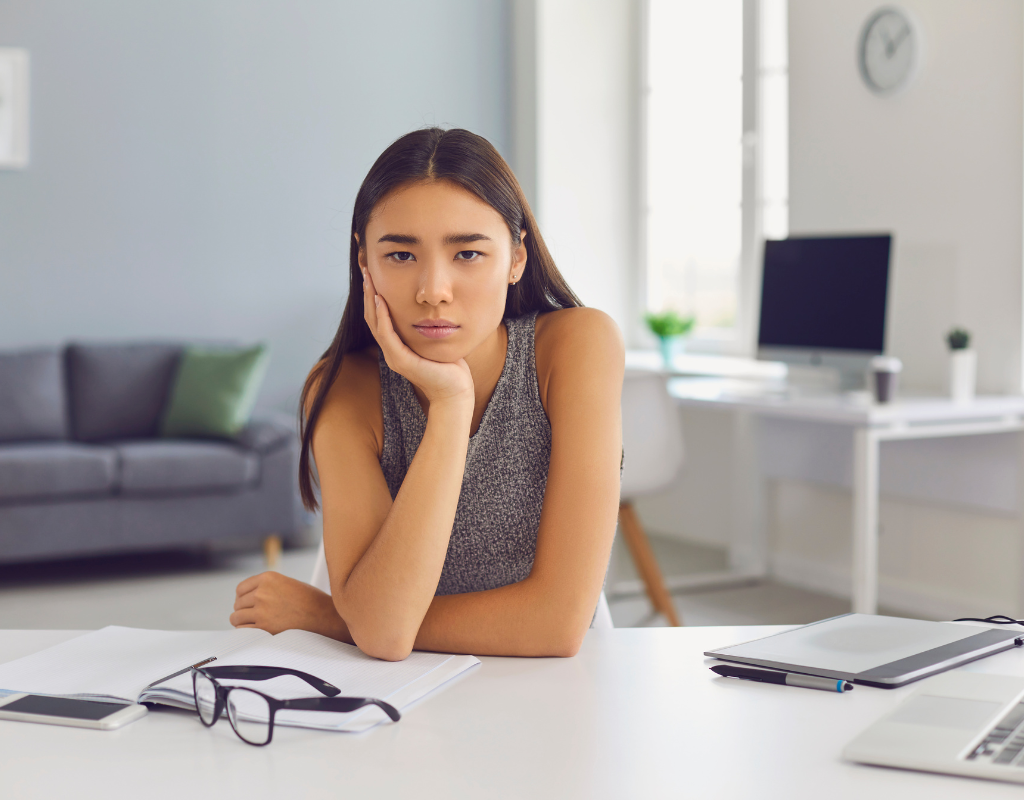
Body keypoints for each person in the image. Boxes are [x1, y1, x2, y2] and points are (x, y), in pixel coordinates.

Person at [230, 128, 624, 660]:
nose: (433, 290)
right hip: (394, 693)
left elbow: (554, 627)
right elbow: (385, 634)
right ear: (364, 261)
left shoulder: (577, 346)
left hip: (554, 685)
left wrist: (331, 617)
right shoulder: (344, 387)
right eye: (400, 256)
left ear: (515, 258)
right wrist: (450, 406)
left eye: (467, 253)